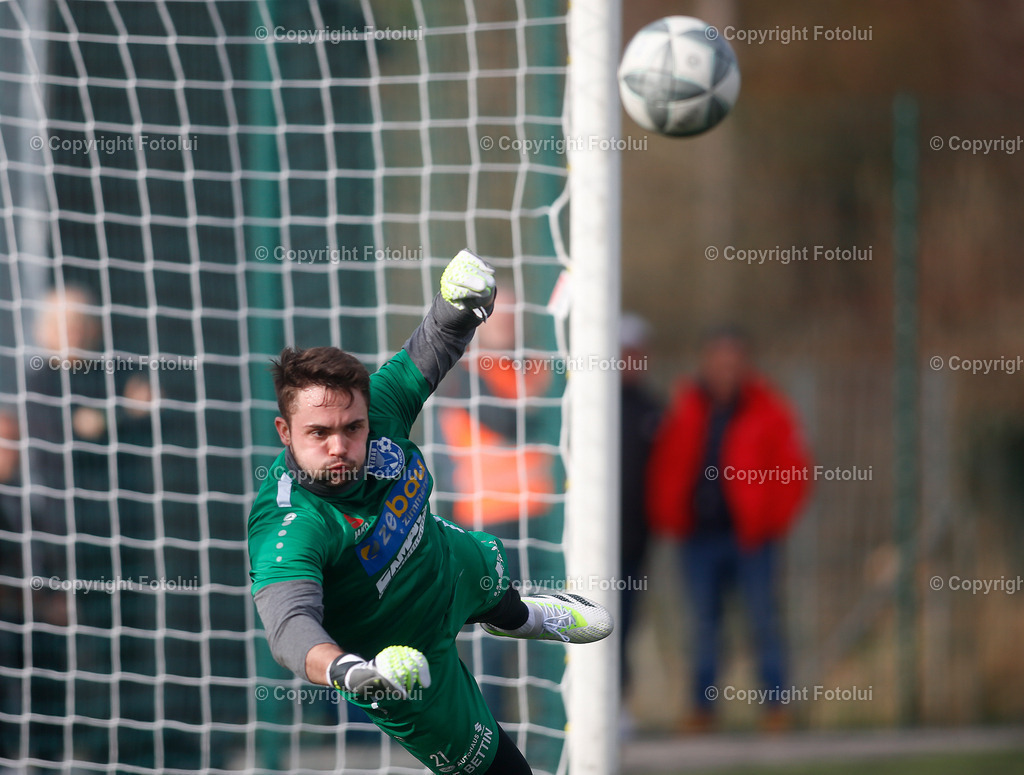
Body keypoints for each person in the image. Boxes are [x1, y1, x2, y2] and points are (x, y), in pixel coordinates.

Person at [248, 250, 612, 775]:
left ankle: (526, 617)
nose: (339, 445)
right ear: (286, 433)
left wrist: (461, 299)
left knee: (492, 580)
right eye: (318, 433)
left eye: (352, 428)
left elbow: (434, 343)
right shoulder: (291, 524)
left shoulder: (380, 406)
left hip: (445, 562)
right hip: (403, 663)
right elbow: (289, 630)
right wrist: (354, 673)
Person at [646, 326, 810, 733]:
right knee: (703, 624)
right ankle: (702, 709)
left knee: (763, 622)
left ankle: (776, 708)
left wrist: (770, 519)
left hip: (752, 540)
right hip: (699, 539)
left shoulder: (769, 409)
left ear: (745, 365)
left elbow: (795, 471)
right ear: (706, 363)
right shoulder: (685, 407)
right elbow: (667, 464)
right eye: (718, 361)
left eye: (733, 362)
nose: (725, 370)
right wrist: (670, 514)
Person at [617, 315, 661, 708]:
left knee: (626, 623)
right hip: (586, 541)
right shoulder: (582, 407)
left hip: (635, 540)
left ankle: (619, 703)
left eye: (636, 353)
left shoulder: (653, 410)